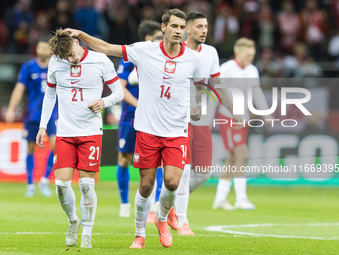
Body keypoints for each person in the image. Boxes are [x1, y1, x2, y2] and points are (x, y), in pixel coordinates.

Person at [65, 8, 215, 249]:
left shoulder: (194, 59)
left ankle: (163, 219)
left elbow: (198, 87)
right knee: (146, 186)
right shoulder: (145, 51)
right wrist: (82, 34)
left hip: (177, 130)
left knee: (173, 182)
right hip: (147, 129)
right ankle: (139, 234)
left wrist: (196, 105)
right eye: (173, 26)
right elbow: (107, 48)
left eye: (181, 27)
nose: (178, 31)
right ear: (163, 28)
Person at [36, 29, 124, 248]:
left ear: (77, 41)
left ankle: (87, 232)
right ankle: (72, 220)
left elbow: (119, 93)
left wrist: (104, 102)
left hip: (91, 132)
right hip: (65, 132)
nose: (71, 60)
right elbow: (50, 94)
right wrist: (42, 125)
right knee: (61, 185)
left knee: (86, 185)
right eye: (66, 58)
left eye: (72, 54)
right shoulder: (56, 62)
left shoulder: (100, 60)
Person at [175, 11, 237, 236]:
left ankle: (167, 204)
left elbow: (217, 85)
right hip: (177, 120)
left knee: (203, 173)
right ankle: (182, 221)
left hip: (200, 120)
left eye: (206, 26)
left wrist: (234, 112)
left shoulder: (210, 52)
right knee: (183, 171)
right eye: (199, 26)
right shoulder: (176, 52)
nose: (204, 30)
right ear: (187, 29)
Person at [213, 38, 271, 210]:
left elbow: (256, 91)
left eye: (252, 56)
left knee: (232, 158)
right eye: (247, 55)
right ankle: (241, 198)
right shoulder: (227, 69)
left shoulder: (252, 70)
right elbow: (216, 91)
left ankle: (220, 198)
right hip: (229, 118)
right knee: (242, 154)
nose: (250, 59)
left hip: (243, 119)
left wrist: (266, 113)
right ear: (238, 53)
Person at [116, 20, 164, 219]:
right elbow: (120, 87)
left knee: (157, 162)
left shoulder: (164, 59)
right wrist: (139, 105)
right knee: (125, 159)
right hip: (130, 116)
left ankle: (157, 204)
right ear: (148, 39)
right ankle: (125, 203)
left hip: (155, 119)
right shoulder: (131, 58)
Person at [6, 40, 57, 197]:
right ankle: (30, 184)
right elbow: (19, 88)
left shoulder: (56, 66)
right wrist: (11, 108)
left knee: (56, 147)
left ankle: (44, 180)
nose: (41, 50)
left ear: (50, 50)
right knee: (30, 148)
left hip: (53, 113)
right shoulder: (28, 67)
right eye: (39, 47)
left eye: (44, 47)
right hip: (33, 114)